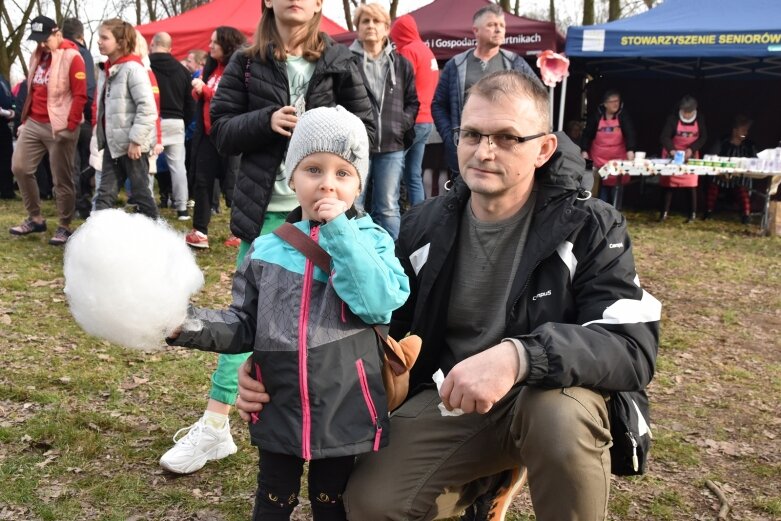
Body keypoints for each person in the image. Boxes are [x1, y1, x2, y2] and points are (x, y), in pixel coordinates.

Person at [236, 70, 662, 521]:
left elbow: (632, 346)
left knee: (558, 422)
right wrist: (282, 364)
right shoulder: (422, 225)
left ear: (544, 149)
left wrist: (518, 357)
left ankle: (516, 468)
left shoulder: (592, 225)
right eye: (472, 134)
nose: (484, 151)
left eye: (507, 138)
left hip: (547, 394)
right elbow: (376, 330)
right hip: (449, 399)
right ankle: (486, 482)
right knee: (370, 504)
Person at [160, 0, 376, 475]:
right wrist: (267, 122)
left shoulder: (341, 61)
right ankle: (217, 425)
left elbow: (369, 132)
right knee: (252, 317)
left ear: (320, 4)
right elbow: (221, 129)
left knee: (324, 323)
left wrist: (322, 137)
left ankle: (332, 430)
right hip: (265, 214)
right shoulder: (246, 61)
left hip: (326, 215)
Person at [167, 105, 410, 521]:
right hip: (279, 400)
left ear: (359, 183)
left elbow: (378, 301)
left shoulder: (375, 241)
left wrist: (340, 235)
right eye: (313, 169)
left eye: (343, 173)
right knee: (272, 497)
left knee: (330, 499)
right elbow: (243, 326)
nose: (327, 185)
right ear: (291, 176)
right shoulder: (268, 248)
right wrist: (184, 324)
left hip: (345, 403)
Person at [432, 3, 539, 177]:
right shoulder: (457, 64)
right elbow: (438, 105)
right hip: (466, 147)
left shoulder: (514, 63)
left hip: (504, 149)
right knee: (461, 196)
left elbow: (538, 99)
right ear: (476, 31)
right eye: (491, 25)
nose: (498, 30)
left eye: (501, 26)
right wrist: (450, 136)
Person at [10, 15, 87, 246]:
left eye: (45, 39)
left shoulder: (73, 57)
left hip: (60, 126)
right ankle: (35, 218)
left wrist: (70, 126)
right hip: (34, 122)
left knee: (61, 179)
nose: (41, 44)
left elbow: (80, 95)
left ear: (57, 34)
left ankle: (64, 226)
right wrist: (25, 120)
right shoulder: (38, 55)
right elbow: (32, 89)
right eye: (38, 40)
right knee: (20, 167)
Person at [350, 2, 419, 240]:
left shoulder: (402, 64)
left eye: (376, 21)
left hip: (391, 145)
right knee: (353, 205)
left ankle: (393, 260)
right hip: (355, 145)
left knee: (388, 207)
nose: (370, 26)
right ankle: (355, 253)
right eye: (365, 21)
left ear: (387, 28)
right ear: (357, 27)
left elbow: (413, 102)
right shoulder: (346, 62)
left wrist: (401, 124)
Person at [182, 27, 245, 250]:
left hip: (230, 136)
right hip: (207, 136)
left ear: (227, 44)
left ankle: (239, 231)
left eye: (214, 43)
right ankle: (200, 231)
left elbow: (233, 99)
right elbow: (207, 97)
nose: (210, 47)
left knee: (233, 185)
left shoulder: (238, 67)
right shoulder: (211, 67)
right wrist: (199, 93)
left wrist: (206, 92)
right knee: (202, 181)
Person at [93, 19, 158, 219]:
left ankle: (157, 238)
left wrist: (136, 140)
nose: (99, 42)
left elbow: (147, 108)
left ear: (120, 42)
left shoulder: (133, 69)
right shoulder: (108, 69)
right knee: (104, 196)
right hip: (113, 147)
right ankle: (95, 242)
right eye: (99, 37)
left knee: (141, 195)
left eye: (105, 38)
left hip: (133, 149)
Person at [389, 14, 439, 207]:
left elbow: (400, 86)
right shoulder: (427, 51)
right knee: (414, 174)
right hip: (427, 121)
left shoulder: (409, 51)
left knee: (392, 172)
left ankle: (395, 216)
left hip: (410, 121)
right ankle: (420, 215)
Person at [149, 31, 196, 220]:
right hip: (176, 121)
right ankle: (182, 209)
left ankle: (148, 208)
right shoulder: (182, 70)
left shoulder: (146, 67)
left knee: (149, 165)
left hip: (153, 120)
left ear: (152, 44)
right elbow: (191, 102)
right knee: (178, 167)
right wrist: (183, 120)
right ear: (170, 48)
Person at [62, 18, 96, 219]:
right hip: (82, 116)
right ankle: (82, 203)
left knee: (69, 164)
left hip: (62, 116)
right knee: (85, 161)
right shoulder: (83, 54)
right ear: (80, 35)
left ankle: (71, 205)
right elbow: (88, 86)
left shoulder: (59, 53)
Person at [581, 89, 636, 210]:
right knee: (601, 187)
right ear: (605, 104)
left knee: (616, 186)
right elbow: (587, 135)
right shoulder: (596, 116)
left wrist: (630, 150)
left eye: (617, 101)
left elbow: (630, 134)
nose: (616, 104)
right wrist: (584, 150)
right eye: (612, 101)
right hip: (599, 158)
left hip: (618, 158)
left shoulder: (623, 116)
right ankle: (600, 211)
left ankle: (615, 211)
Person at [659, 94, 707, 222]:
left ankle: (692, 214)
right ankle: (663, 213)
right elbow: (664, 137)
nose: (686, 115)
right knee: (669, 183)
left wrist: (691, 149)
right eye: (684, 112)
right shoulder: (673, 118)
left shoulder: (699, 119)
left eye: (689, 112)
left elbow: (703, 137)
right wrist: (673, 151)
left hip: (691, 154)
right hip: (673, 153)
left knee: (690, 184)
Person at [705, 114, 757, 224]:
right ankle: (708, 212)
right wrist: (720, 172)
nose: (745, 133)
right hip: (721, 176)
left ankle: (746, 215)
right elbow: (711, 157)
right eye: (743, 130)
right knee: (713, 183)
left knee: (742, 188)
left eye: (746, 130)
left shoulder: (749, 146)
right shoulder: (723, 141)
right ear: (735, 130)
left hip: (739, 178)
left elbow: (755, 162)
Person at [0, 72, 15, 199]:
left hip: (4, 124)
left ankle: (7, 191)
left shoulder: (3, 80)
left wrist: (11, 111)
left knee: (6, 158)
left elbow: (12, 100)